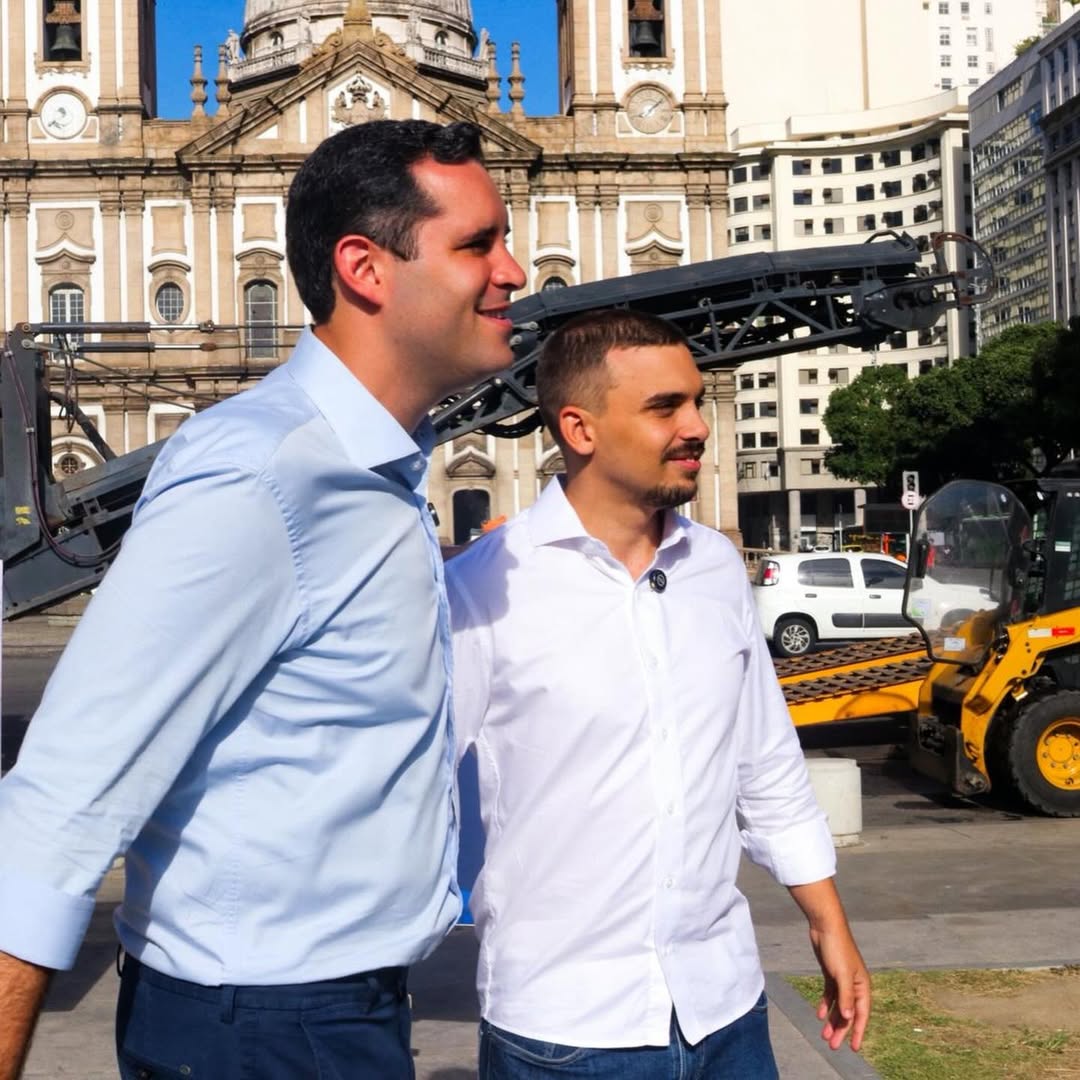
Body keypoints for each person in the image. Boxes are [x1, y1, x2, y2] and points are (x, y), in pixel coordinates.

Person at [0, 118, 526, 1079]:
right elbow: (60, 802)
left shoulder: (375, 470)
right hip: (262, 1028)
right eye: (478, 244)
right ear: (365, 269)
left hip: (332, 1010)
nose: (516, 271)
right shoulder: (263, 476)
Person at [446, 309, 871, 1078]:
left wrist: (828, 923)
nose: (698, 426)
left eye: (697, 401)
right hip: (565, 1034)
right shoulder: (484, 588)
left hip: (725, 1011)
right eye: (664, 406)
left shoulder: (713, 570)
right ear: (579, 427)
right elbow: (415, 787)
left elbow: (765, 765)